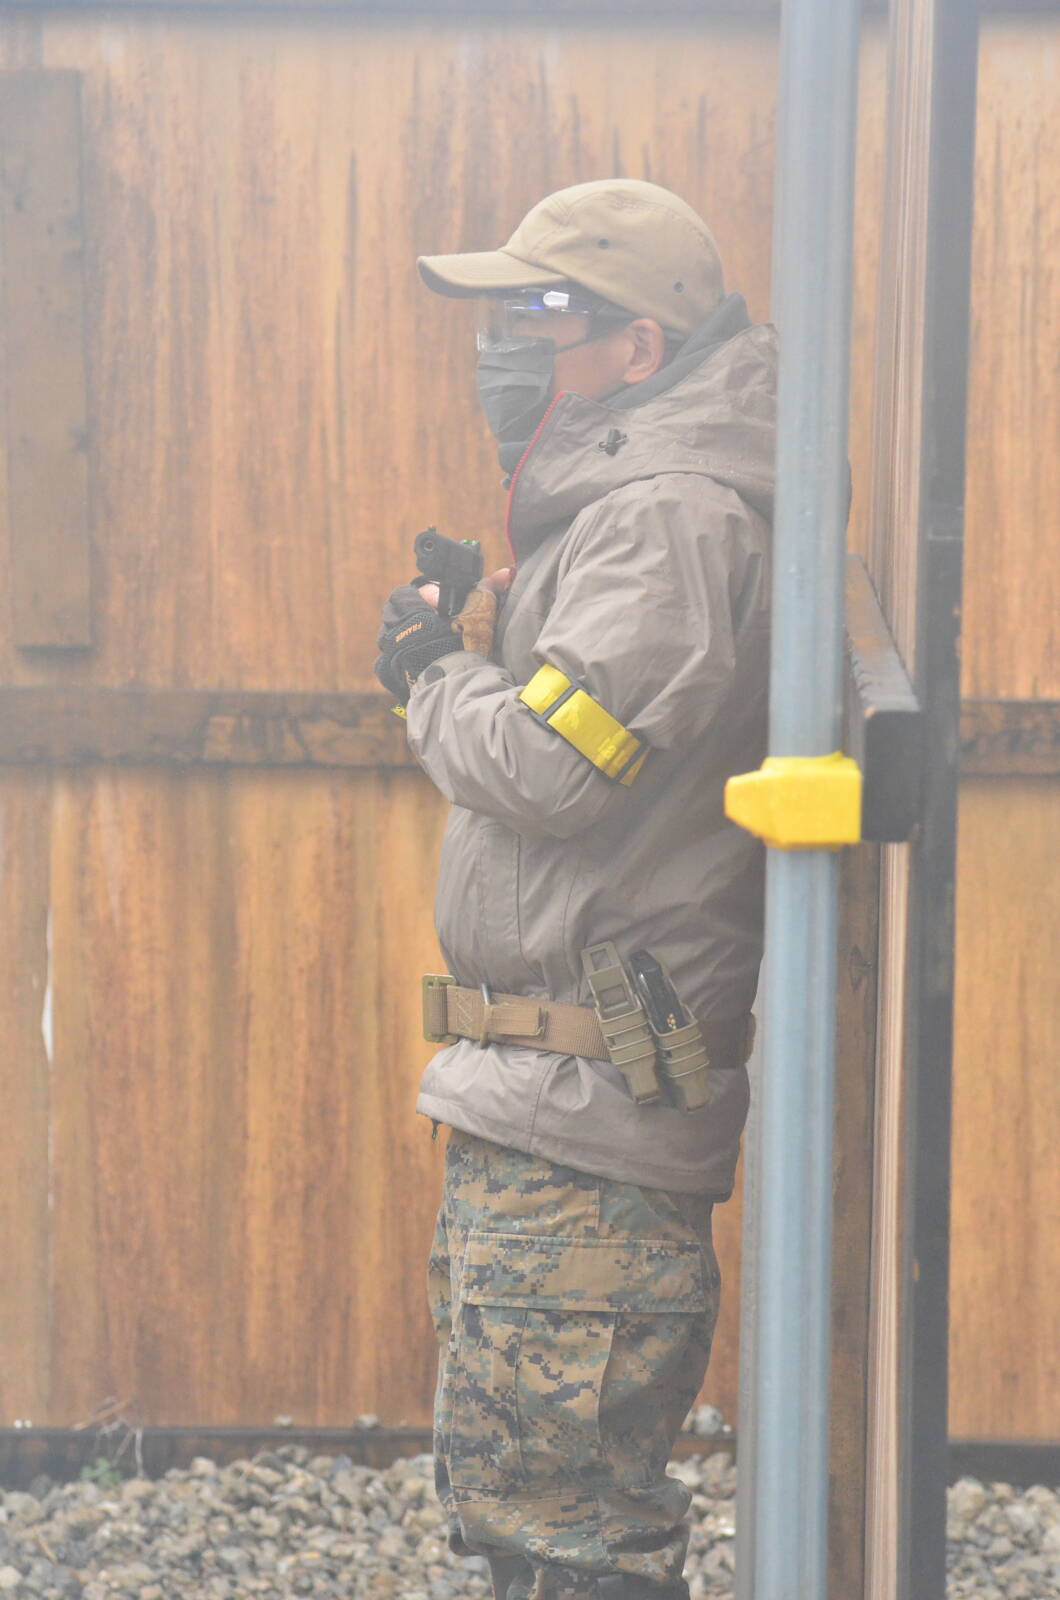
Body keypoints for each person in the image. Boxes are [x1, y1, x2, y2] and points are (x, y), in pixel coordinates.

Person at [375, 178, 776, 1600]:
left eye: (538, 319)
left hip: (588, 1122)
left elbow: (556, 769)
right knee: (529, 1518)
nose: (506, 350)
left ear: (639, 346)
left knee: (567, 1538)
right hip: (553, 1101)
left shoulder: (665, 518)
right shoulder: (624, 511)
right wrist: (484, 639)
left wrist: (434, 676)